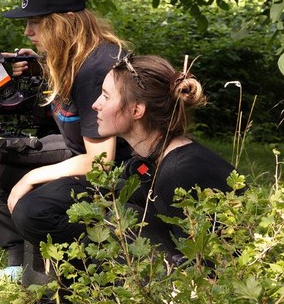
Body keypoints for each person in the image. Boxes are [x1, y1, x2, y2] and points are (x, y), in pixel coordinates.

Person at [0, 0, 130, 283]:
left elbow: (102, 162)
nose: (27, 31)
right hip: (76, 150)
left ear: (63, 22)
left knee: (30, 205)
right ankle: (17, 258)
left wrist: (31, 177)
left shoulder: (97, 69)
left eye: (36, 22)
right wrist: (40, 64)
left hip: (116, 174)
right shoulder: (71, 56)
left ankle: (78, 272)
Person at [91, 54, 235, 262]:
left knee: (121, 219)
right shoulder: (152, 161)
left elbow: (205, 268)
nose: (96, 104)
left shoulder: (176, 175)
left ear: (137, 110)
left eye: (106, 96)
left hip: (234, 280)